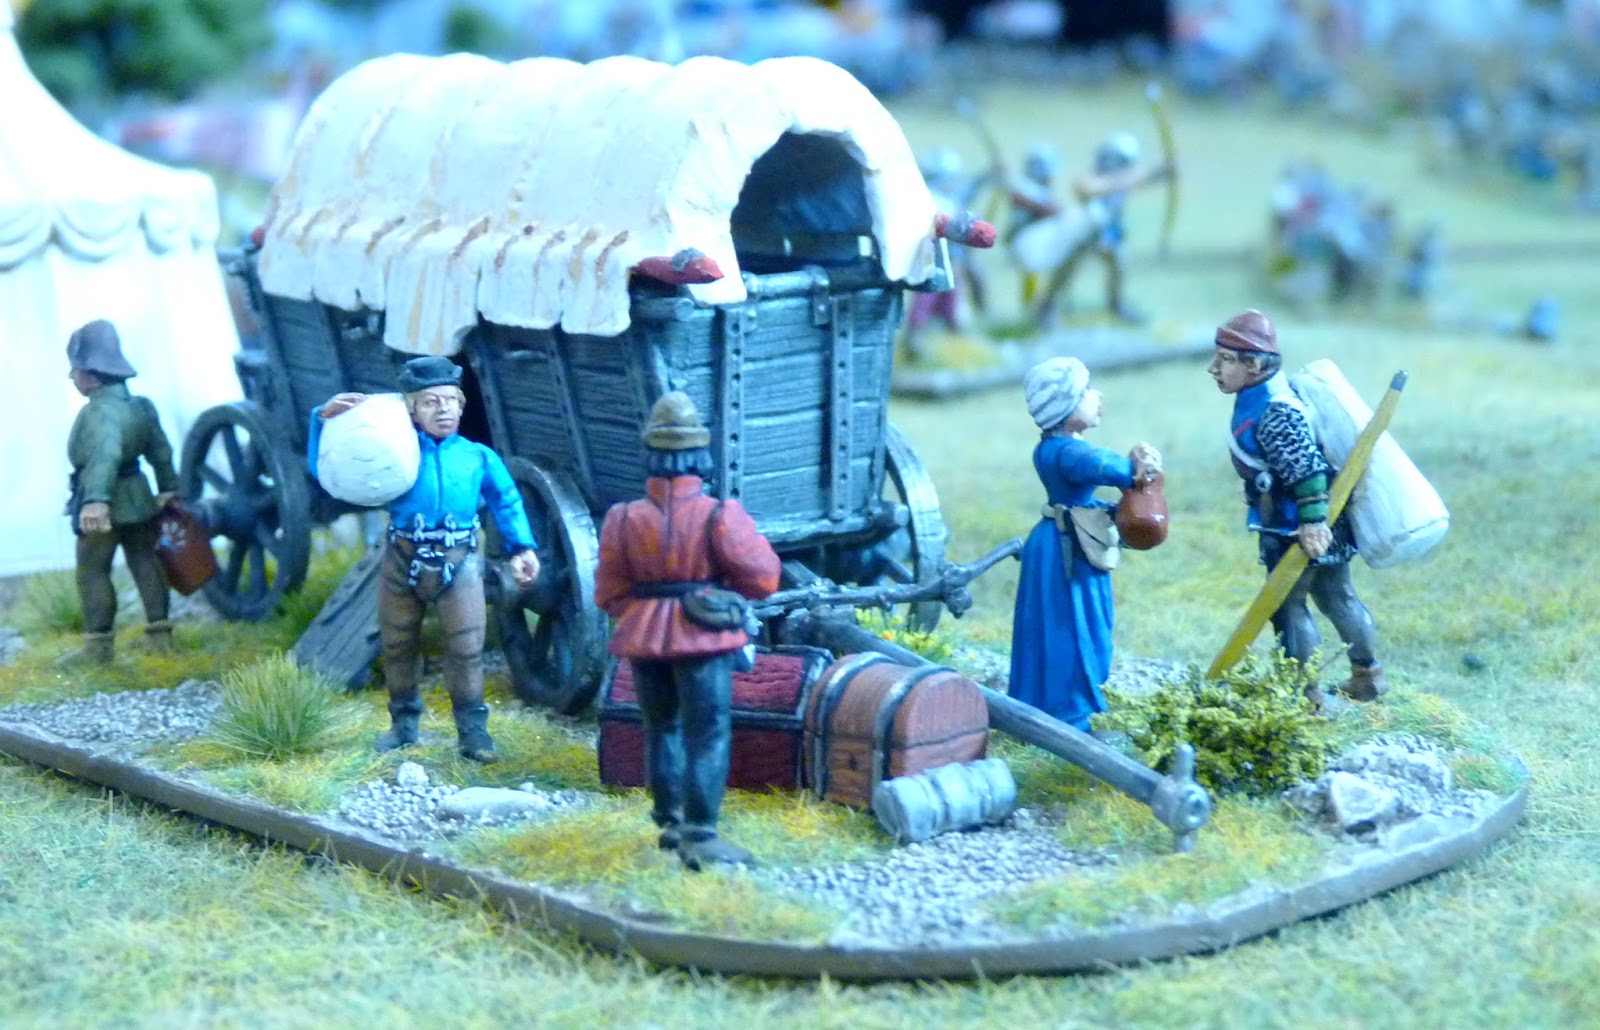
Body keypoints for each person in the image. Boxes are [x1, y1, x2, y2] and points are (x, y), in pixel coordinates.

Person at [310, 357, 539, 762]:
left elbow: (506, 501)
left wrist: (522, 547)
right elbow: (331, 469)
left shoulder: (478, 457)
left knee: (466, 649)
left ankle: (473, 732)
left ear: (462, 405)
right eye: (431, 402)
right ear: (412, 409)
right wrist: (321, 422)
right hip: (402, 559)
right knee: (397, 645)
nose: (443, 410)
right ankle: (403, 725)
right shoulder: (392, 451)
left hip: (460, 561)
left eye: (451, 401)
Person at [594, 392, 780, 871]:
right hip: (704, 635)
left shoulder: (622, 518)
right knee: (709, 733)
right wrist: (719, 596)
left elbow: (609, 592)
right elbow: (763, 578)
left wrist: (647, 612)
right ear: (700, 455)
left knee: (661, 729)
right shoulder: (720, 514)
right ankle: (701, 834)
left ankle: (671, 821)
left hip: (644, 634)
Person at [1208, 309, 1385, 706]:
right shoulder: (1266, 399)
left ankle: (1307, 697)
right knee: (1337, 597)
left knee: (1290, 609)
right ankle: (1367, 677)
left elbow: (1306, 470)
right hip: (1311, 521)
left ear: (1254, 365)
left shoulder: (1274, 409)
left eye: (1225, 360)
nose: (1214, 368)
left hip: (1296, 528)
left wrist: (1313, 523)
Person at [1009, 357, 1160, 732]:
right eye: (1086, 391)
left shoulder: (1059, 447)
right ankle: (1072, 709)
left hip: (1065, 539)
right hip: (1067, 549)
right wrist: (1136, 468)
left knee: (1071, 620)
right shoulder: (1065, 451)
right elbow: (1103, 466)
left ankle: (1053, 700)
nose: (1097, 396)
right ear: (1065, 405)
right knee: (1073, 623)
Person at [61, 320, 177, 665]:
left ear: (93, 376)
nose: (72, 377)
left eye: (76, 371)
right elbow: (161, 451)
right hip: (139, 500)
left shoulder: (99, 413)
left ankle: (98, 646)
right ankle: (160, 637)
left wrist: (96, 501)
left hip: (107, 504)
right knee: (145, 560)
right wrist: (168, 486)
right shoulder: (141, 406)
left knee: (92, 570)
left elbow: (105, 455)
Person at [1033, 133, 1174, 326]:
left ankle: (1116, 305)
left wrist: (1162, 172)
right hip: (1084, 233)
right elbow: (1088, 189)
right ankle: (1047, 305)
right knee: (1067, 267)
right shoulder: (1093, 177)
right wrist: (1133, 178)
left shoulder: (1125, 178)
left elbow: (1140, 180)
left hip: (1108, 233)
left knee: (1118, 264)